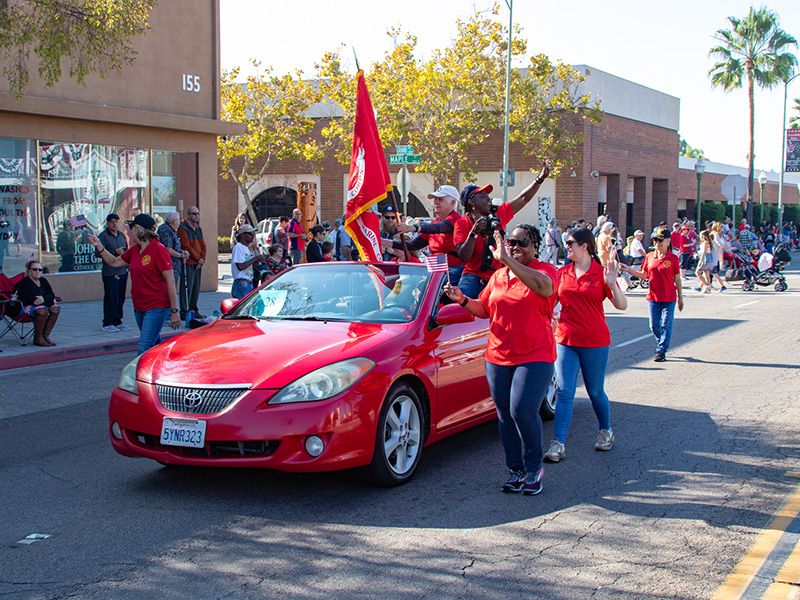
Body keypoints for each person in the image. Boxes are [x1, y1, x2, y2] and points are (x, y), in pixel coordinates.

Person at [445, 224, 556, 496]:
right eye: (512, 243)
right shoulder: (498, 277)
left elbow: (544, 289)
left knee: (522, 410)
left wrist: (507, 259)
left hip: (535, 355)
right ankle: (515, 470)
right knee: (505, 415)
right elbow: (484, 309)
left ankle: (533, 468)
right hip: (498, 356)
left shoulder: (545, 271)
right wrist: (462, 300)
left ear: (535, 247)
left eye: (522, 243)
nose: (516, 248)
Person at [544, 227, 628, 463]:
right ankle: (558, 443)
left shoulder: (602, 273)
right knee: (564, 391)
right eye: (566, 242)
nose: (566, 246)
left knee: (595, 391)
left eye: (570, 242)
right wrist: (551, 315)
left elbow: (622, 305)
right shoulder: (562, 273)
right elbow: (551, 303)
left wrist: (612, 285)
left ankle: (605, 430)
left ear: (585, 245)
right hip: (566, 340)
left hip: (594, 341)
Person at [454, 160, 550, 298]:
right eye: (483, 196)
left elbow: (523, 198)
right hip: (473, 278)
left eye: (488, 196)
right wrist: (473, 233)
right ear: (471, 202)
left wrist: (540, 179)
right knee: (461, 306)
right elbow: (463, 256)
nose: (488, 199)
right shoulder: (462, 224)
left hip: (499, 276)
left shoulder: (499, 214)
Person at [89, 213, 180, 354]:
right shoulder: (135, 250)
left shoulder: (158, 249)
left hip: (157, 307)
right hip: (140, 307)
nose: (129, 231)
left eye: (131, 227)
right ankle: (174, 358)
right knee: (154, 343)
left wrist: (174, 311)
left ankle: (137, 375)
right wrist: (99, 246)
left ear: (138, 229)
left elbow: (170, 281)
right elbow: (114, 262)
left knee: (143, 348)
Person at [620, 227, 684, 362]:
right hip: (653, 297)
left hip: (669, 297)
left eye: (660, 240)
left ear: (668, 241)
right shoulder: (649, 257)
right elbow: (644, 275)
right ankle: (661, 342)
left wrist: (680, 298)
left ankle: (661, 350)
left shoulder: (673, 259)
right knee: (654, 325)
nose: (657, 243)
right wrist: (629, 269)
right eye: (655, 240)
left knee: (666, 325)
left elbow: (677, 279)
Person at [391, 185, 464, 282]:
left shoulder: (456, 219)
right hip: (435, 270)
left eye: (440, 199)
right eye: (435, 199)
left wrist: (413, 228)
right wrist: (383, 241)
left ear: (453, 202)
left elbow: (441, 227)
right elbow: (413, 245)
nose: (436, 202)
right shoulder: (435, 222)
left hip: (453, 270)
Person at [13, 260, 60, 346]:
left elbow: (52, 294)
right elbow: (33, 300)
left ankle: (45, 336)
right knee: (43, 310)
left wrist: (43, 298)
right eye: (35, 269)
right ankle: (38, 338)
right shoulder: (25, 283)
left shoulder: (43, 280)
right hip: (24, 307)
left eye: (40, 269)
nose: (38, 271)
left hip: (41, 305)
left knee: (55, 309)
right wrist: (47, 298)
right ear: (28, 270)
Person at [96, 213, 130, 333]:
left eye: (116, 221)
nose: (114, 224)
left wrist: (123, 253)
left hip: (122, 270)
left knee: (120, 297)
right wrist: (114, 252)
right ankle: (108, 322)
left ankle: (118, 320)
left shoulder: (121, 235)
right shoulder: (103, 236)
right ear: (108, 223)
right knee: (111, 297)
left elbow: (126, 250)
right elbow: (98, 253)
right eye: (112, 222)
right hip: (110, 272)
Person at [178, 207, 206, 319]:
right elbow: (186, 246)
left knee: (196, 288)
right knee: (187, 288)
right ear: (188, 215)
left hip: (198, 263)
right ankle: (185, 311)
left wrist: (202, 258)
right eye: (194, 214)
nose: (197, 216)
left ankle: (194, 309)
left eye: (198, 214)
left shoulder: (198, 228)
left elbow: (203, 245)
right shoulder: (183, 228)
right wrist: (198, 258)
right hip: (189, 262)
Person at [157, 212, 189, 300]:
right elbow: (168, 249)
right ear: (174, 221)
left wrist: (182, 251)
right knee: (169, 292)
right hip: (169, 266)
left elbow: (175, 247)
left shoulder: (172, 230)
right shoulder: (165, 230)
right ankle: (169, 311)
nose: (180, 221)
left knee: (172, 290)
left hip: (174, 266)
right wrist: (181, 255)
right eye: (179, 219)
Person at [230, 224, 265, 299]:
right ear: (242, 235)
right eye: (250, 233)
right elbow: (240, 266)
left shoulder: (247, 249)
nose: (253, 235)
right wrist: (255, 258)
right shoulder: (238, 247)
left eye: (253, 233)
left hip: (249, 282)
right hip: (241, 283)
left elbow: (250, 265)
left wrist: (259, 259)